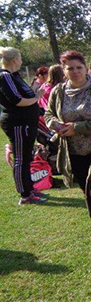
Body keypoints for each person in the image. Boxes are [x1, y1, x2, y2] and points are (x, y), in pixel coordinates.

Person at [45, 50, 91, 249]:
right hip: (73, 151)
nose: (75, 72)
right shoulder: (58, 92)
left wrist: (77, 128)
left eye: (79, 67)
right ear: (64, 71)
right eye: (70, 68)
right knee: (86, 190)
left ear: (86, 68)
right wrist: (56, 125)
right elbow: (48, 114)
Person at [0, 47, 47, 205]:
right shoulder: (5, 76)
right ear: (14, 59)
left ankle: (29, 187)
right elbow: (17, 100)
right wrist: (36, 98)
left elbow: (25, 95)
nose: (21, 60)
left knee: (27, 156)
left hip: (27, 121)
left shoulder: (15, 75)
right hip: (17, 122)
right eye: (20, 57)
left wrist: (35, 96)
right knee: (21, 157)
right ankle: (25, 194)